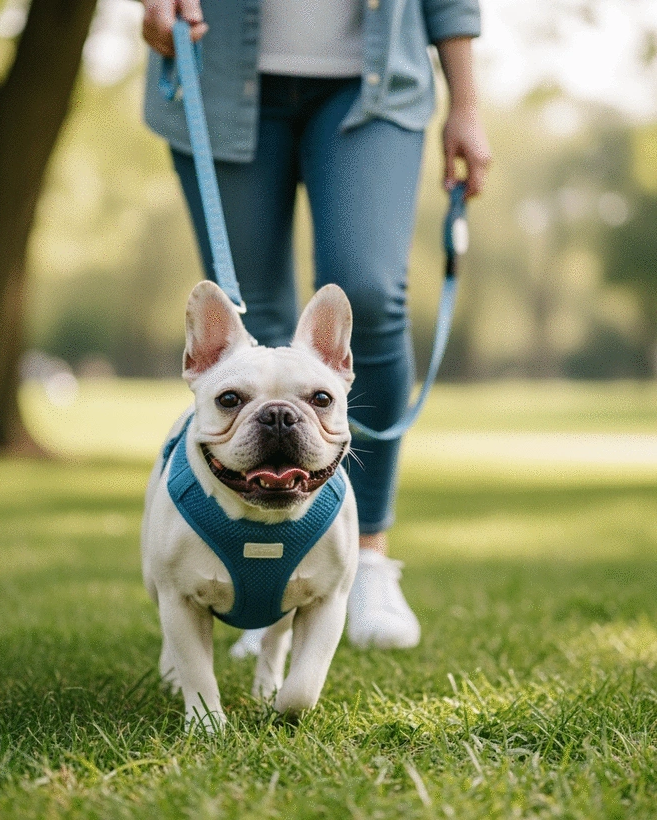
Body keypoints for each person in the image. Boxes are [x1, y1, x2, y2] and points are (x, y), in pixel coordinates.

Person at [141, 0, 491, 651]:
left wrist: (465, 102)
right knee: (254, 330)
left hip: (375, 79)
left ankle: (368, 557)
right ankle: (261, 577)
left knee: (368, 291)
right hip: (215, 69)